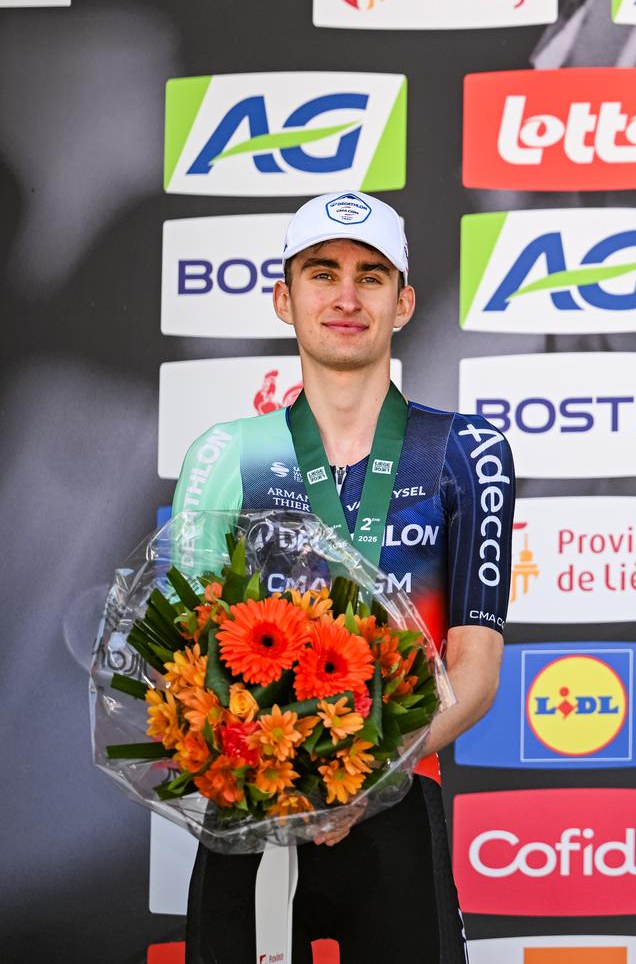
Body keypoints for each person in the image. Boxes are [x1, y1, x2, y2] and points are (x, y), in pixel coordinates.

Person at [170, 191, 514, 964]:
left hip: (394, 795)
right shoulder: (224, 454)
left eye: (372, 275)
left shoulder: (467, 452)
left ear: (405, 302)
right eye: (322, 274)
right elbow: (184, 661)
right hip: (251, 800)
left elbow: (477, 666)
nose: (347, 297)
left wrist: (364, 773)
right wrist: (270, 764)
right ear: (283, 300)